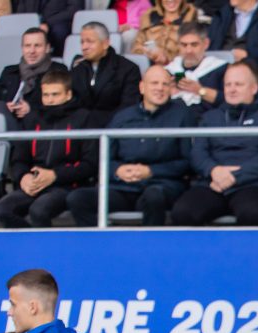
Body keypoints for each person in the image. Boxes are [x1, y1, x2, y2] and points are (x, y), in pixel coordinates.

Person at [67, 65, 196, 227]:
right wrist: (117, 170)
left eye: (165, 84)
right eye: (154, 83)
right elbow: (104, 157)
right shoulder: (122, 117)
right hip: (123, 187)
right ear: (142, 87)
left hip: (162, 184)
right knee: (77, 199)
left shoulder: (182, 116)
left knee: (153, 196)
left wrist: (151, 171)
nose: (160, 88)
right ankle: (104, 246)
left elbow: (187, 162)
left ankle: (151, 248)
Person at [171, 61, 258, 225]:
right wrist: (214, 170)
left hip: (253, 185)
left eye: (238, 84)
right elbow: (198, 153)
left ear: (254, 88)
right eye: (228, 84)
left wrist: (235, 177)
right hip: (212, 183)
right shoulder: (210, 117)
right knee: (183, 211)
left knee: (252, 212)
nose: (232, 89)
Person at [0, 70, 97, 229]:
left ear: (68, 94)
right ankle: (27, 247)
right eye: (46, 95)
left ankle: (48, 251)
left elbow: (90, 164)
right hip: (34, 183)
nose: (50, 100)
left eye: (55, 94)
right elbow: (19, 158)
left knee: (39, 210)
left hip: (68, 186)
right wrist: (23, 177)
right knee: (0, 210)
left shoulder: (84, 118)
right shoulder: (32, 118)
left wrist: (54, 175)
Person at [0, 28, 69, 130]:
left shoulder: (58, 70)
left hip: (41, 126)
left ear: (47, 48)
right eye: (27, 46)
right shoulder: (9, 72)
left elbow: (64, 106)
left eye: (37, 46)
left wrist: (30, 109)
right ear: (22, 48)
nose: (32, 51)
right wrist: (6, 108)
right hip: (10, 125)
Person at [70, 22, 143, 127]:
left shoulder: (129, 69)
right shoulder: (77, 70)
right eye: (82, 42)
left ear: (105, 43)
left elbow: (129, 107)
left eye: (89, 42)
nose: (84, 47)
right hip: (82, 131)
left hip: (115, 129)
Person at [207, 0, 258, 77]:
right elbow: (210, 48)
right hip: (220, 72)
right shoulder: (221, 15)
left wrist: (248, 55)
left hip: (256, 72)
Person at [165, 21, 228, 118]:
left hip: (207, 122)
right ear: (178, 45)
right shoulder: (169, 71)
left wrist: (199, 90)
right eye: (184, 45)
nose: (189, 51)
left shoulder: (221, 69)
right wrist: (167, 92)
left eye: (194, 45)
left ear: (206, 44)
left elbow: (229, 99)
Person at [131, 0, 199, 66]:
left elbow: (193, 51)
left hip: (178, 70)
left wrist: (167, 59)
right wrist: (152, 53)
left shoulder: (191, 18)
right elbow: (137, 48)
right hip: (150, 68)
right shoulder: (148, 17)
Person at [13, 0, 80, 55]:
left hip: (57, 23)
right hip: (31, 23)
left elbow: (74, 9)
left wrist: (47, 23)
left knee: (60, 31)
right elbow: (20, 12)